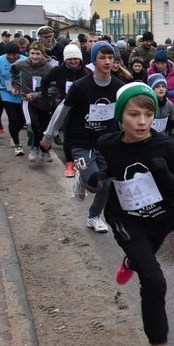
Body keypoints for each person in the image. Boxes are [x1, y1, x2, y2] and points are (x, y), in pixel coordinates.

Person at [95, 82, 174, 346]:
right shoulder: (108, 145)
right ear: (120, 115)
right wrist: (94, 177)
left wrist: (165, 174)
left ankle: (129, 263)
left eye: (148, 114)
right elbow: (93, 172)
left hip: (160, 222)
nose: (141, 122)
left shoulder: (167, 146)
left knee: (142, 261)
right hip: (125, 220)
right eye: (133, 114)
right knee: (153, 280)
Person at [40, 42, 126, 234]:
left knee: (108, 184)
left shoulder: (119, 87)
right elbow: (62, 110)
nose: (107, 61)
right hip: (81, 142)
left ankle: (94, 217)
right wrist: (49, 134)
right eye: (102, 57)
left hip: (106, 143)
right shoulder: (81, 86)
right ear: (93, 60)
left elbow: (122, 115)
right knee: (96, 184)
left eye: (110, 57)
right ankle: (82, 177)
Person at [41, 43, 91, 176]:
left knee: (83, 134)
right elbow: (45, 81)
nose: (73, 62)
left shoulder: (86, 72)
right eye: (70, 59)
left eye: (76, 58)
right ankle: (69, 162)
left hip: (83, 108)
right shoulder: (58, 70)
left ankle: (83, 160)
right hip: (66, 106)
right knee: (67, 134)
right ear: (65, 59)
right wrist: (45, 99)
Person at [9, 41, 54, 162]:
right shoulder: (22, 63)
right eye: (32, 53)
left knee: (44, 127)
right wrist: (16, 85)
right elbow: (13, 69)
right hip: (26, 99)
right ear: (28, 53)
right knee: (31, 123)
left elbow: (54, 88)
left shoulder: (49, 68)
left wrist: (37, 95)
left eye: (38, 54)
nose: (35, 56)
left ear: (43, 54)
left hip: (43, 101)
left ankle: (44, 150)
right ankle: (34, 147)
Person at [0, 42, 26, 155]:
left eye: (14, 55)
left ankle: (14, 135)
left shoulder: (25, 60)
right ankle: (18, 145)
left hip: (22, 94)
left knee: (22, 120)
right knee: (13, 118)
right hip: (6, 93)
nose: (12, 57)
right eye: (9, 55)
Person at [148, 73, 174, 139]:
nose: (161, 89)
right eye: (158, 87)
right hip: (147, 139)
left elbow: (173, 123)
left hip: (163, 138)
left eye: (163, 86)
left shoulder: (169, 104)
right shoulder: (146, 104)